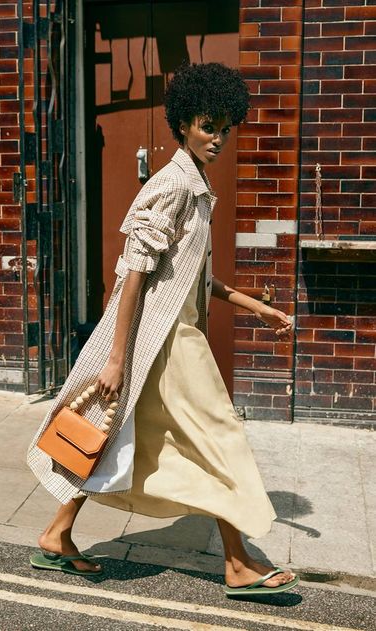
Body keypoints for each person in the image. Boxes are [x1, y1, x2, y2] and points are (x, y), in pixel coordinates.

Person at [27, 62, 299, 597]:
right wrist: (114, 358)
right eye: (207, 125)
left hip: (176, 338)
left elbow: (199, 279)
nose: (217, 137)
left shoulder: (197, 187)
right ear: (183, 123)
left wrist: (256, 309)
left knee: (115, 434)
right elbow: (135, 274)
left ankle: (58, 533)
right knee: (220, 433)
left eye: (225, 126)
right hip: (167, 342)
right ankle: (239, 565)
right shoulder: (173, 184)